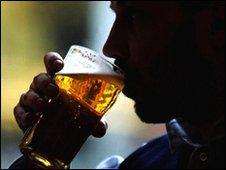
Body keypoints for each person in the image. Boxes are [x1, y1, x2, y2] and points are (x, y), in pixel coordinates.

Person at [9, 1, 225, 169]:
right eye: (115, 16)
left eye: (133, 17)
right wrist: (42, 157)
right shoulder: (141, 163)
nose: (111, 47)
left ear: (217, 24)